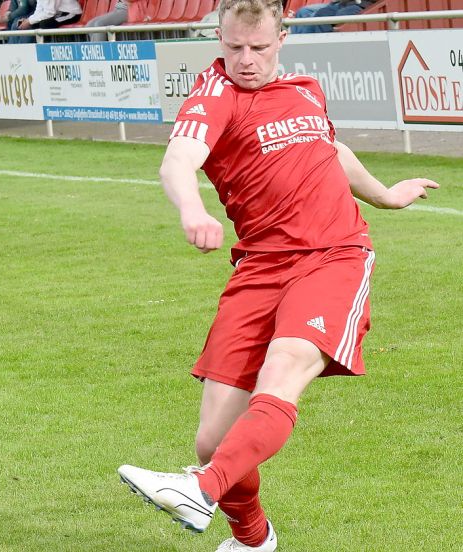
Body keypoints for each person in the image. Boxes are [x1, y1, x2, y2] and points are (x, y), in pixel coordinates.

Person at [116, 1, 436, 551]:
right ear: (219, 39)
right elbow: (177, 161)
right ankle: (253, 540)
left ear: (281, 38)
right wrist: (193, 211)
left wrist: (385, 196)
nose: (245, 60)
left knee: (284, 366)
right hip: (260, 266)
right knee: (214, 439)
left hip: (335, 254)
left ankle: (200, 491)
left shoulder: (307, 88)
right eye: (233, 47)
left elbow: (329, 149)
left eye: (258, 48)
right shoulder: (213, 97)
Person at [7, 0, 82, 44]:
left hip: (70, 13)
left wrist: (29, 21)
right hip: (56, 13)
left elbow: (49, 12)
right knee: (32, 23)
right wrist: (28, 20)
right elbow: (39, 9)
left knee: (44, 24)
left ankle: (46, 52)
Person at [289, 0, 374, 33]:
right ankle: (301, 44)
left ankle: (320, 45)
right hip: (343, 3)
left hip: (362, 4)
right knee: (304, 11)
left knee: (337, 15)